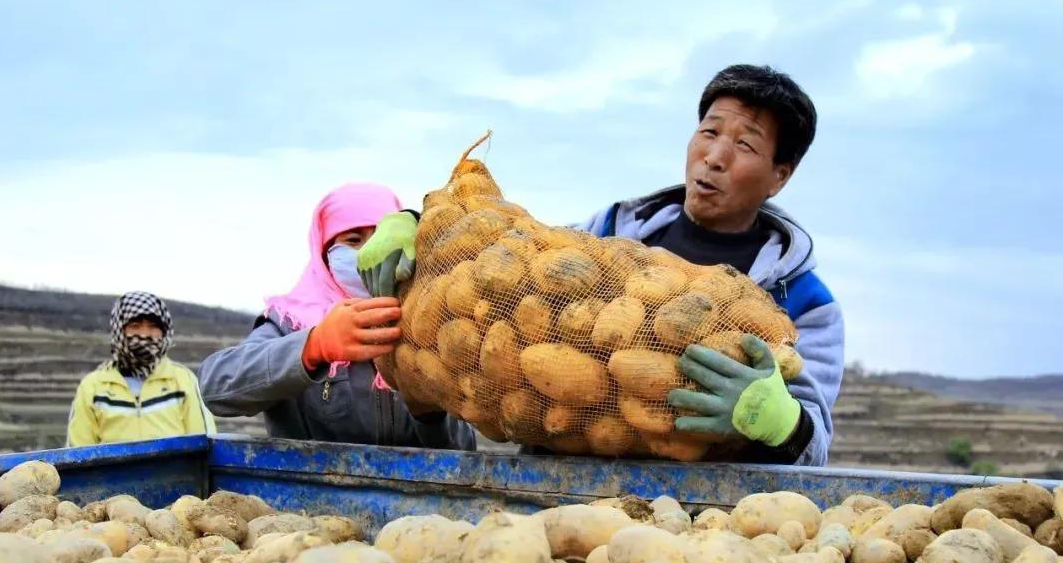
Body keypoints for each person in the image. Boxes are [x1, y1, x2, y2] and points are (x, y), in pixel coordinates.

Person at [359, 64, 843, 466]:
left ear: (780, 175)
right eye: (709, 132)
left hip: (705, 513)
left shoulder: (804, 302)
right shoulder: (609, 231)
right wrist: (420, 222)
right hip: (563, 484)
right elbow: (507, 259)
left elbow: (813, 450)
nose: (714, 157)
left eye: (745, 145)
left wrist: (783, 423)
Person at [198, 183, 476, 450]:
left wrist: (427, 415)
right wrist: (313, 347)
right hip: (310, 494)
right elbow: (216, 386)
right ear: (324, 253)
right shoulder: (289, 321)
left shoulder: (426, 326)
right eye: (353, 240)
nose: (368, 253)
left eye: (380, 240)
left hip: (415, 496)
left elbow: (464, 449)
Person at [67, 292, 217, 447]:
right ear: (119, 330)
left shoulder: (183, 380)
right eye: (135, 326)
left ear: (164, 331)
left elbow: (204, 444)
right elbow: (78, 453)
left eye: (153, 327)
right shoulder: (93, 386)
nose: (144, 334)